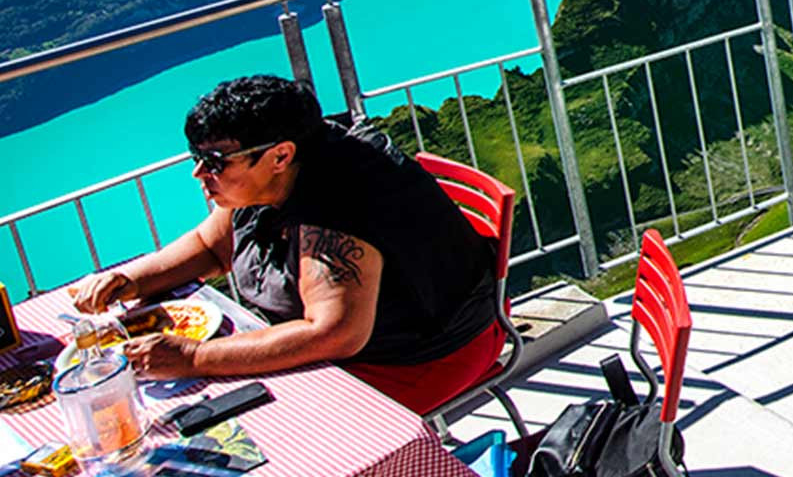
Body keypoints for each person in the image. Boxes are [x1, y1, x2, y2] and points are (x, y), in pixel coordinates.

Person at [66, 76, 503, 413]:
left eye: (215, 162)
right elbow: (211, 246)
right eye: (196, 157)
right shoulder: (268, 183)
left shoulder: (338, 205)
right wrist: (128, 280)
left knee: (254, 426)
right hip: (367, 345)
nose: (199, 173)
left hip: (425, 358)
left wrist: (194, 357)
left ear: (280, 155)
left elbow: (333, 333)